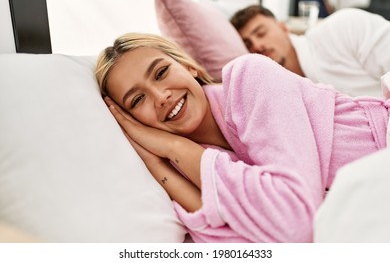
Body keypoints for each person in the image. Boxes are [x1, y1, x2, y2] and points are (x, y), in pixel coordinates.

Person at [95, 32, 389, 243]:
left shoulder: (250, 76)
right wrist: (158, 165)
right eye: (137, 101)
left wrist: (174, 146)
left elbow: (294, 225)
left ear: (189, 67)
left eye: (160, 73)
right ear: (133, 122)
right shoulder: (184, 170)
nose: (160, 97)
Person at [230, 5, 390, 97]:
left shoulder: (343, 27)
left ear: (283, 28)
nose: (257, 45)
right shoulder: (278, 96)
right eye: (247, 44)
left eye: (261, 33)